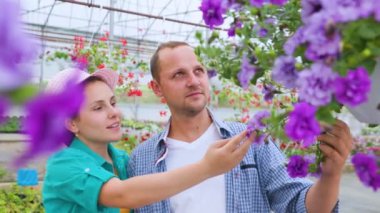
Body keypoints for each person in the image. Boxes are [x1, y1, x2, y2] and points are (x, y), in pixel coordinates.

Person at [128, 41, 353, 213]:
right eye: (179, 74)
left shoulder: (250, 140)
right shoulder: (141, 159)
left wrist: (330, 176)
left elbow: (299, 203)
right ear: (157, 88)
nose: (194, 81)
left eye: (198, 71)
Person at [42, 68, 255, 213]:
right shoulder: (63, 165)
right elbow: (123, 195)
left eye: (112, 102)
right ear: (71, 124)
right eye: (98, 108)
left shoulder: (124, 161)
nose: (114, 113)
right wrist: (206, 168)